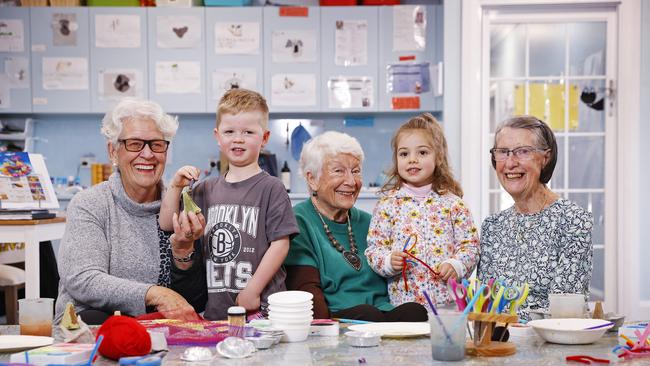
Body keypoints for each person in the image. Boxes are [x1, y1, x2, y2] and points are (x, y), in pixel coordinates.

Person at [55, 98, 206, 325]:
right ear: (113, 152)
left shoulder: (181, 207)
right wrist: (154, 293)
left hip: (160, 333)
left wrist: (184, 253)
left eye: (156, 144)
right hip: (89, 326)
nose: (147, 154)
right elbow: (83, 278)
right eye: (135, 144)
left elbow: (194, 301)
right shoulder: (90, 204)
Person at [160, 89, 298, 320]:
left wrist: (253, 289)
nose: (238, 138)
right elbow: (167, 224)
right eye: (230, 131)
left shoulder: (272, 188)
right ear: (217, 136)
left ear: (264, 138)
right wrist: (175, 186)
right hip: (218, 312)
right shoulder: (205, 190)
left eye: (248, 132)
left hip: (262, 310)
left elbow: (280, 244)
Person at [284, 131, 428, 322]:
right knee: (368, 315)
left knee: (415, 311)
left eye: (356, 171)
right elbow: (306, 292)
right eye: (338, 171)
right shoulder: (298, 221)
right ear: (312, 179)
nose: (351, 182)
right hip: (340, 319)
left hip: (384, 312)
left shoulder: (372, 222)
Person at [477, 115, 593, 320]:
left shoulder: (574, 221)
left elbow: (564, 313)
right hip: (497, 343)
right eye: (503, 152)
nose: (510, 163)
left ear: (545, 158)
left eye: (523, 151)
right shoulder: (492, 227)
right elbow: (484, 305)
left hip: (547, 344)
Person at [365, 113, 480, 306]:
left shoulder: (454, 205)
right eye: (404, 154)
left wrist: (456, 265)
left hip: (448, 306)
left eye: (422, 153)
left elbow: (470, 247)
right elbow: (374, 248)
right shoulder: (387, 205)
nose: (412, 160)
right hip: (404, 306)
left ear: (439, 158)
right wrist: (387, 261)